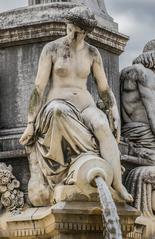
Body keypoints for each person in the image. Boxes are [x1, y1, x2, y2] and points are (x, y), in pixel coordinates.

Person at [20, 6, 132, 205]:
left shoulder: (92, 53)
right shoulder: (52, 49)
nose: (71, 34)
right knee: (57, 111)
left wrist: (114, 114)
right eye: (69, 28)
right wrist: (30, 123)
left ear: (86, 32)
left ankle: (118, 184)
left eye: (77, 31)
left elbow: (104, 89)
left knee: (101, 124)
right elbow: (38, 87)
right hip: (58, 104)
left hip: (85, 106)